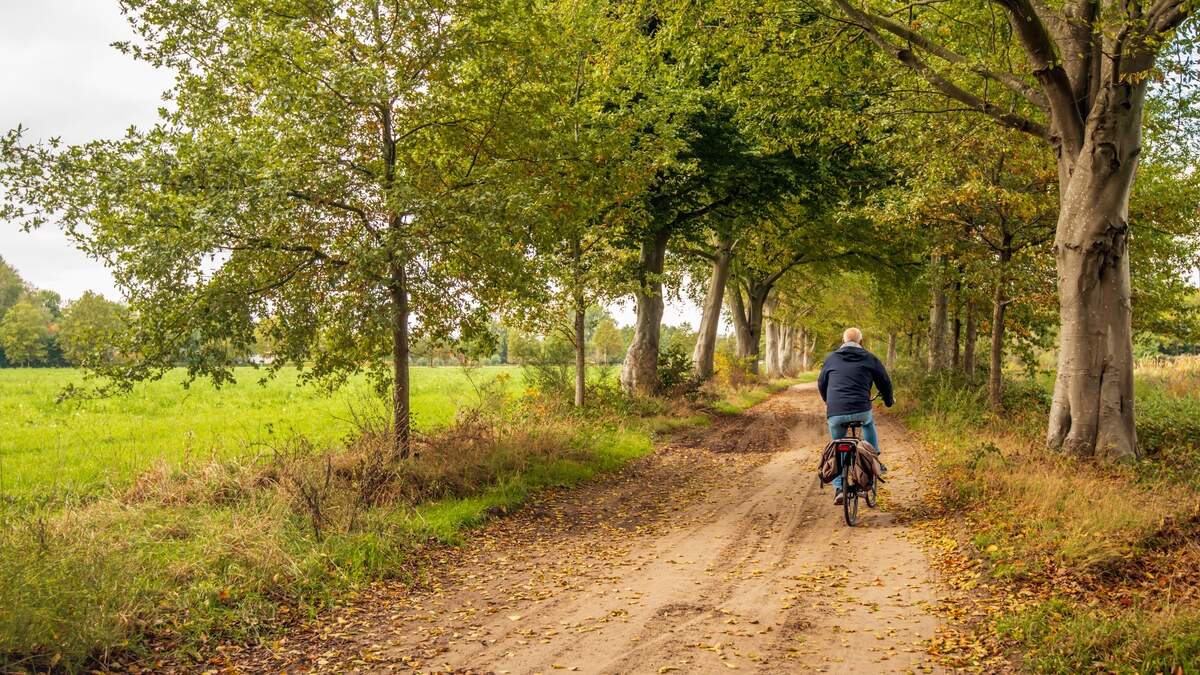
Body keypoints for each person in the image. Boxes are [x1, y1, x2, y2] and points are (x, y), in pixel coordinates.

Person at [817, 327, 894, 505]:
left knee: (838, 446)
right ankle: (873, 458)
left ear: (843, 341)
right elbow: (884, 382)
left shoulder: (831, 358)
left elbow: (822, 383)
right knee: (867, 423)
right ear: (861, 341)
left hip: (836, 411)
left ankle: (838, 489)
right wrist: (889, 401)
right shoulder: (869, 358)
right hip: (861, 408)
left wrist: (829, 401)